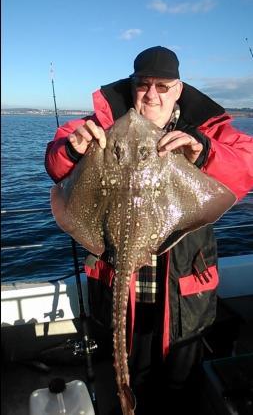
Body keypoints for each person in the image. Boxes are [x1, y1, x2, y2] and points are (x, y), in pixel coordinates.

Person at [45, 46, 253, 414]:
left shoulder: (207, 129)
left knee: (180, 382)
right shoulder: (100, 125)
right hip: (120, 282)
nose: (151, 94)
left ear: (179, 89)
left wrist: (204, 153)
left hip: (183, 290)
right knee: (129, 368)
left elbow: (247, 167)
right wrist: (74, 152)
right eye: (143, 85)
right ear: (132, 85)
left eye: (163, 85)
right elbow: (57, 162)